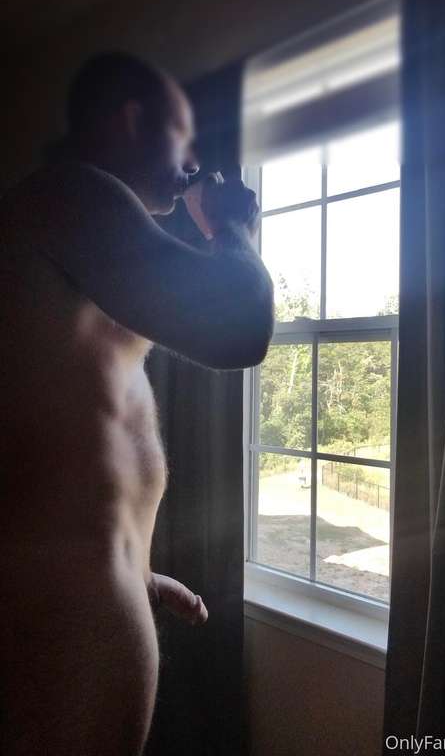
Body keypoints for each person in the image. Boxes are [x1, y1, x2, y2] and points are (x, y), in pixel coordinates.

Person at [0, 51, 274, 755]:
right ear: (130, 121)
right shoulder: (70, 192)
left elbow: (68, 421)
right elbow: (240, 327)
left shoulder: (75, 230)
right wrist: (231, 225)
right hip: (58, 619)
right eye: (181, 135)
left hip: (77, 600)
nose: (192, 159)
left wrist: (134, 569)